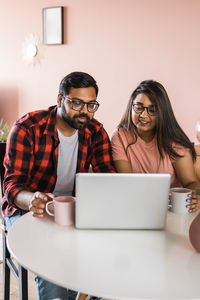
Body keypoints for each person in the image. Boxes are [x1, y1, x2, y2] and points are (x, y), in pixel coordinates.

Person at [2, 71, 116, 300]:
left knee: (90, 261)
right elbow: (12, 185)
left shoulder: (95, 132)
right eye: (76, 103)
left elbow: (108, 178)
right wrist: (32, 199)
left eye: (91, 105)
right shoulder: (28, 127)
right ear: (59, 99)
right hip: (27, 209)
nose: (84, 111)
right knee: (51, 263)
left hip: (71, 212)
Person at [111, 79, 200, 211]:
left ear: (162, 112)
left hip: (170, 209)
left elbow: (191, 182)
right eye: (138, 107)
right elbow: (126, 182)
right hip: (135, 205)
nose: (143, 115)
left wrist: (198, 195)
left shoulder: (174, 140)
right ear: (131, 107)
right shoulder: (120, 136)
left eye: (152, 110)